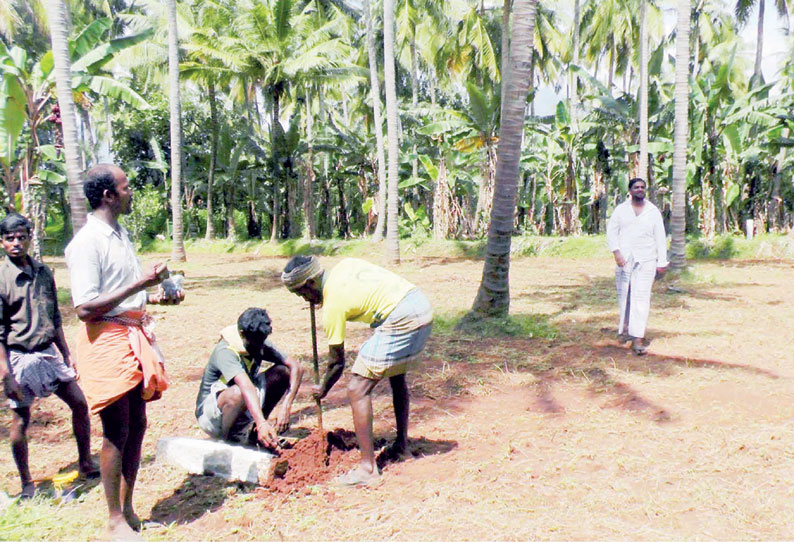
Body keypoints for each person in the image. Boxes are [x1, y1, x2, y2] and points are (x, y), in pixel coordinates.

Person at [65, 164, 181, 541]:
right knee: (116, 430)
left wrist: (155, 292)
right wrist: (140, 282)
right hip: (108, 341)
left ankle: (128, 508)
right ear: (108, 196)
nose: (131, 192)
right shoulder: (86, 243)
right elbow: (85, 308)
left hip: (133, 335)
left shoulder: (120, 234)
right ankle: (114, 518)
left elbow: (125, 293)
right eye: (126, 187)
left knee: (138, 424)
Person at [282, 256, 433, 486]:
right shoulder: (344, 265)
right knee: (396, 374)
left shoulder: (332, 304)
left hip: (402, 317)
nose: (306, 300)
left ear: (312, 283)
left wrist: (323, 388)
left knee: (356, 388)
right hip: (420, 305)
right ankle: (401, 445)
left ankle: (367, 470)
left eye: (302, 293)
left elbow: (337, 362)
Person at [0, 214, 99, 499]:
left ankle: (84, 462)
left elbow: (54, 317)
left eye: (21, 237)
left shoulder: (43, 272)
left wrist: (66, 354)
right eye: (10, 238)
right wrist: (6, 376)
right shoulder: (2, 279)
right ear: (2, 242)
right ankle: (27, 482)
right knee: (20, 419)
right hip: (18, 358)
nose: (16, 243)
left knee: (80, 404)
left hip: (47, 353)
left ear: (30, 238)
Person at [195, 308, 303, 448]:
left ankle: (255, 435)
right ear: (242, 334)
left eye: (262, 341)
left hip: (245, 403)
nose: (260, 346)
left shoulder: (257, 339)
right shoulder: (226, 351)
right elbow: (245, 387)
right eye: (256, 342)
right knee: (238, 392)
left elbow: (296, 367)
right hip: (213, 416)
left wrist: (286, 406)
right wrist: (262, 422)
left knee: (282, 372)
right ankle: (229, 443)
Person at [606, 178, 668, 355]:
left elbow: (660, 238)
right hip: (625, 260)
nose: (640, 190)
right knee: (625, 296)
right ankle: (625, 330)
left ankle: (638, 338)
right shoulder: (621, 210)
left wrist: (661, 263)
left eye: (642, 187)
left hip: (647, 260)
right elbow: (612, 232)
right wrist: (616, 253)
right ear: (630, 191)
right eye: (636, 187)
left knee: (641, 297)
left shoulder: (652, 211)